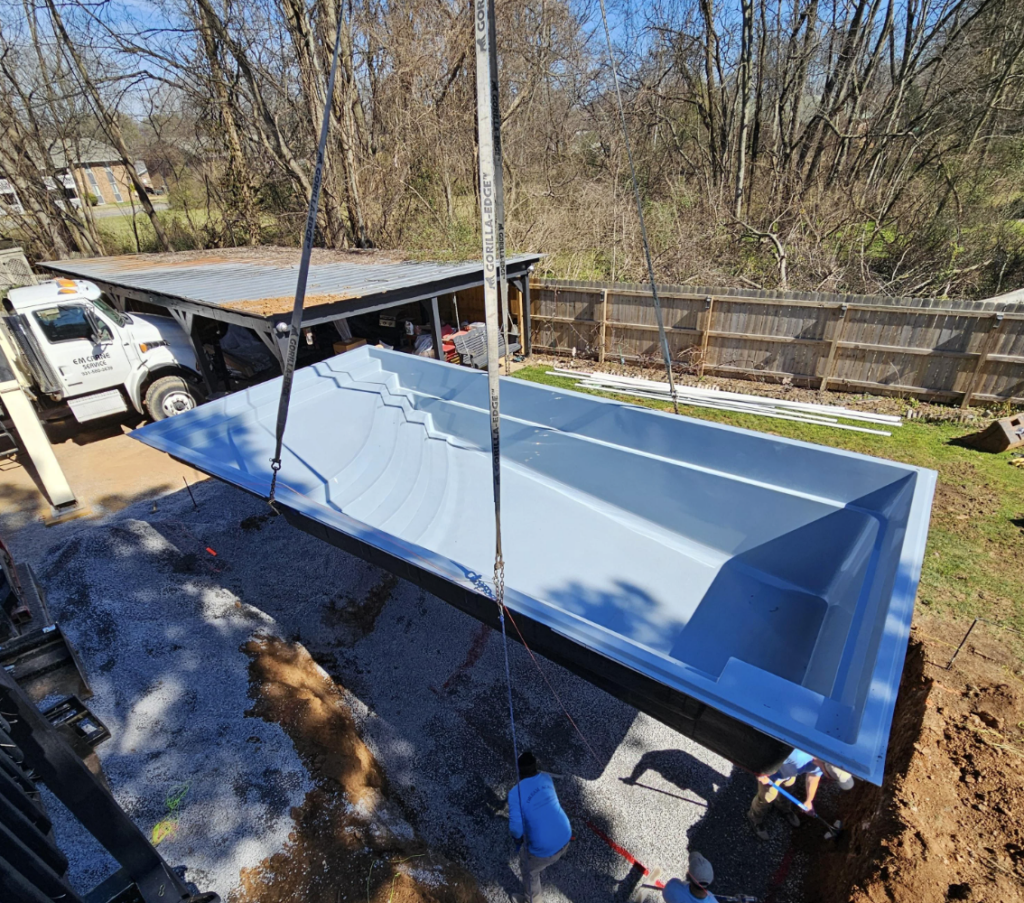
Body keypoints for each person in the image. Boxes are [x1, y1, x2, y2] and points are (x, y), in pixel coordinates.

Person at [508, 750, 571, 903]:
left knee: (529, 871)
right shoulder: (547, 778)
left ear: (518, 772)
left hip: (543, 849)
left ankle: (533, 900)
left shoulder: (515, 793)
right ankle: (559, 854)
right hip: (566, 834)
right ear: (536, 767)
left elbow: (516, 829)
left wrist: (518, 840)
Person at [747, 749, 854, 840]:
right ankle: (755, 818)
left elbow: (813, 777)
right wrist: (762, 772)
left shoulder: (826, 759)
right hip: (773, 774)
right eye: (831, 778)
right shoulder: (797, 755)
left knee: (788, 789)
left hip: (790, 772)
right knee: (767, 798)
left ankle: (783, 808)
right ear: (827, 771)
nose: (829, 779)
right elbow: (769, 751)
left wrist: (809, 800)